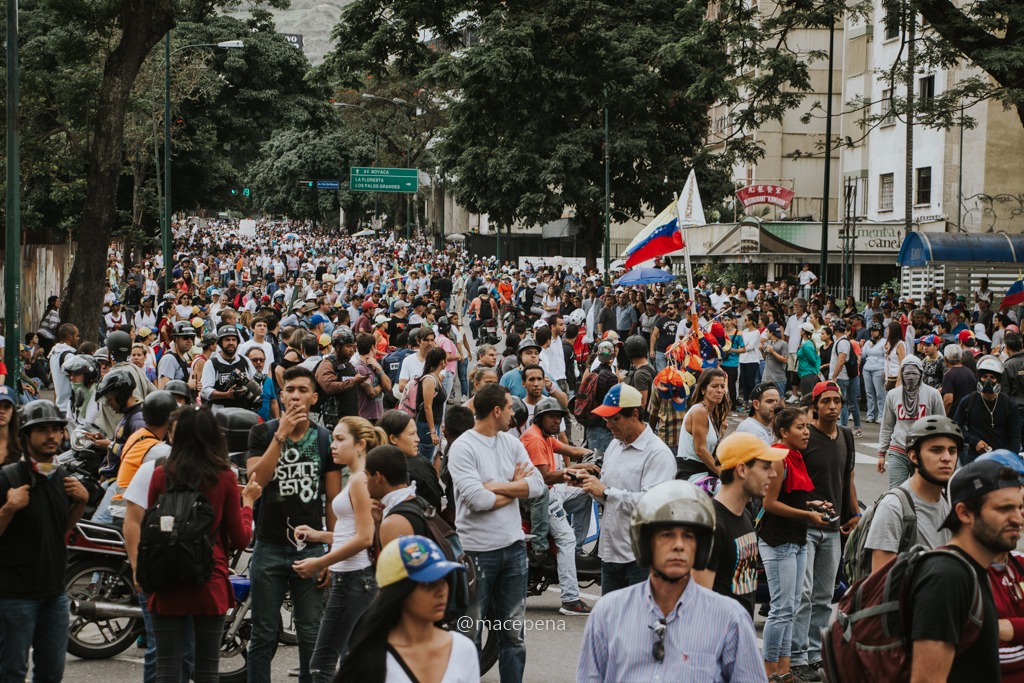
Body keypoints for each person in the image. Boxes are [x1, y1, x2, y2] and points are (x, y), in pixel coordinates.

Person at [576, 480, 763, 682]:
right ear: (646, 544)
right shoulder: (608, 613)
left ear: (700, 548)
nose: (679, 545)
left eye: (689, 536)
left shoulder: (730, 619)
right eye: (667, 535)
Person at [134, 407, 261, 683]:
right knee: (206, 670)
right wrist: (248, 503)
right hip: (209, 580)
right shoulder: (224, 477)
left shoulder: (160, 474)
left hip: (166, 578)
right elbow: (241, 538)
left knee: (167, 668)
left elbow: (150, 525)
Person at [245, 366, 342, 683]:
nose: (296, 395)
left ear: (314, 397)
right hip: (269, 547)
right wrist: (281, 435)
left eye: (303, 390)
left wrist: (330, 552)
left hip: (311, 550)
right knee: (262, 633)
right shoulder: (262, 433)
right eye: (290, 390)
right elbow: (256, 481)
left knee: (309, 632)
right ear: (281, 395)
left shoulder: (325, 438)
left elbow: (332, 500)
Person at [447, 383, 545, 683]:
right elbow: (478, 501)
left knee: (513, 636)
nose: (514, 411)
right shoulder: (463, 447)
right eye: (509, 406)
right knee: (470, 634)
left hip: (514, 549)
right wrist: (515, 489)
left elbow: (538, 486)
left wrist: (495, 486)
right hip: (477, 553)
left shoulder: (511, 443)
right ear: (496, 410)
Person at [906, 459, 1022, 682]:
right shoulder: (947, 577)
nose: (1018, 519)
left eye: (1019, 507)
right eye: (1004, 508)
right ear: (964, 513)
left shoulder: (977, 569)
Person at [0, 400, 89, 683]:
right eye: (42, 430)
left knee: (52, 672)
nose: (51, 435)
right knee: (11, 672)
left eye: (56, 429)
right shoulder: (8, 478)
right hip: (14, 596)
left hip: (55, 594)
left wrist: (80, 503)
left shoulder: (61, 478)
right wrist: (8, 508)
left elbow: (57, 528)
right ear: (26, 436)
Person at [293, 417, 386, 683]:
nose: (333, 445)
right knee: (353, 661)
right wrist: (318, 535)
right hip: (358, 579)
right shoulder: (357, 478)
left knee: (321, 664)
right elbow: (353, 533)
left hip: (353, 580)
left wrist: (320, 562)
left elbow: (364, 538)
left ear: (361, 445)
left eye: (340, 439)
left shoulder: (359, 480)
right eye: (333, 438)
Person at [571, 383, 676, 593]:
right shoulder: (614, 446)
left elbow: (653, 506)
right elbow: (608, 496)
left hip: (641, 559)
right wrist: (589, 485)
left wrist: (605, 492)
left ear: (635, 414)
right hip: (610, 555)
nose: (608, 424)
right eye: (606, 418)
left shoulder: (657, 454)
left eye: (615, 418)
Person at [789, 381, 860, 681]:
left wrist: (853, 513)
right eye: (827, 401)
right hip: (806, 525)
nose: (833, 406)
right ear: (815, 406)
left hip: (832, 529)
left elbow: (848, 477)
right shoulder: (806, 437)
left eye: (838, 401)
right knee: (802, 594)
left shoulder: (845, 435)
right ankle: (796, 655)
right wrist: (807, 509)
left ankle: (815, 654)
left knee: (823, 595)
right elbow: (790, 482)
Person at [336, 535, 477, 682]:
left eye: (444, 580)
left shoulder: (463, 649)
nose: (441, 591)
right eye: (428, 584)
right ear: (399, 592)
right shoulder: (370, 661)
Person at [758, 406, 831, 681]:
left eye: (806, 426)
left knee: (791, 607)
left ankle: (785, 669)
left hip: (797, 539)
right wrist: (808, 514)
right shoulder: (777, 457)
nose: (806, 432)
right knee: (781, 609)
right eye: (800, 427)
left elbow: (792, 495)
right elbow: (770, 503)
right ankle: (770, 671)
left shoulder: (795, 456)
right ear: (783, 432)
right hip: (779, 541)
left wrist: (812, 504)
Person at [693, 432, 786, 614]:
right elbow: (697, 605)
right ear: (742, 470)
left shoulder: (744, 515)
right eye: (766, 467)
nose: (774, 474)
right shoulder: (711, 527)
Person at [520, 397, 595, 615]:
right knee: (566, 538)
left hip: (553, 491)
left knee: (585, 495)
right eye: (552, 416)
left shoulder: (546, 436)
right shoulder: (534, 440)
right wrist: (572, 471)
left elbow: (570, 450)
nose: (556, 421)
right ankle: (571, 599)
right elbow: (545, 476)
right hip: (541, 496)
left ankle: (577, 550)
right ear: (540, 418)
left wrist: (594, 455)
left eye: (559, 417)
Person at [864, 415, 962, 573]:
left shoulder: (951, 503)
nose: (947, 458)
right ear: (914, 456)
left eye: (952, 451)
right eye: (936, 450)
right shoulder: (893, 507)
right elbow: (881, 587)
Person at [878, 355, 947, 488]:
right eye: (907, 373)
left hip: (924, 451)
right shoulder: (893, 395)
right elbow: (887, 425)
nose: (910, 377)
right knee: (896, 491)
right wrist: (882, 453)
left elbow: (941, 425)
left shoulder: (933, 394)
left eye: (914, 373)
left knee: (923, 491)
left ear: (921, 374)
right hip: (898, 449)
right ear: (902, 373)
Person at [954, 354, 1021, 463]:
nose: (988, 381)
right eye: (984, 377)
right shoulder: (968, 401)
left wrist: (1012, 459)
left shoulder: (1008, 404)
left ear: (998, 380)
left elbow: (1015, 436)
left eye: (992, 377)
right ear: (979, 378)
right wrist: (974, 441)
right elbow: (957, 427)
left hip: (1001, 459)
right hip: (974, 458)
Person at [379, 409, 444, 513]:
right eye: (412, 434)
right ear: (393, 439)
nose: (418, 439)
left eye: (416, 433)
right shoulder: (395, 467)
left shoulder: (413, 470)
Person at [676, 368, 730, 481]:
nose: (720, 390)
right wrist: (723, 475)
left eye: (722, 386)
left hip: (705, 471)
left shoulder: (713, 413)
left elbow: (711, 451)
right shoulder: (699, 411)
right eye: (714, 386)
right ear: (703, 389)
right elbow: (700, 450)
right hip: (691, 474)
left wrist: (720, 435)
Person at [200, 324, 257, 408]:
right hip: (220, 412)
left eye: (233, 340)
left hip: (244, 411)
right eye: (227, 340)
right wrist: (226, 395)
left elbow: (256, 384)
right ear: (220, 342)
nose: (231, 343)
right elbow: (205, 391)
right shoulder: (212, 363)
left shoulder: (244, 360)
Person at [415, 347, 448, 465]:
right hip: (426, 426)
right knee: (425, 461)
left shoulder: (436, 378)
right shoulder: (429, 380)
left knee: (431, 457)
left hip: (434, 424)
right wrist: (432, 431)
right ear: (442, 362)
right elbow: (427, 407)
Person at [50, 323, 80, 415]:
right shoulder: (69, 356)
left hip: (60, 406)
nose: (78, 338)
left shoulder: (54, 353)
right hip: (69, 408)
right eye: (77, 336)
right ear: (69, 336)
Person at [156, 321, 195, 389]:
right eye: (186, 337)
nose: (190, 340)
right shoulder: (169, 359)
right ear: (175, 339)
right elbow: (163, 389)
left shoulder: (181, 359)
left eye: (192, 337)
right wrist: (188, 386)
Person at [861, 322, 887, 422]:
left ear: (880, 332)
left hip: (878, 369)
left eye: (875, 331)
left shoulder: (884, 342)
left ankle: (881, 415)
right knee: (869, 393)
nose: (872, 333)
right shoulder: (868, 342)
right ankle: (870, 415)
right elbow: (863, 355)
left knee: (880, 394)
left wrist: (885, 370)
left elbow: (886, 357)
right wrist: (862, 345)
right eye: (871, 331)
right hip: (867, 368)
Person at [943, 344, 977, 417]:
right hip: (969, 416)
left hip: (955, 417)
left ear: (945, 359)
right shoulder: (970, 373)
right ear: (961, 358)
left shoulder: (948, 375)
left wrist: (943, 416)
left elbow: (948, 401)